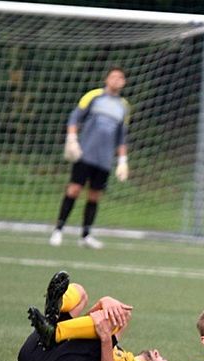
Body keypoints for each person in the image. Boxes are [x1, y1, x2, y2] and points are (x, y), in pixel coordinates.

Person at [20, 271, 173, 361]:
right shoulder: (123, 354)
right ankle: (58, 305)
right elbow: (84, 329)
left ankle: (54, 332)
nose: (157, 352)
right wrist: (103, 302)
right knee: (81, 294)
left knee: (116, 319)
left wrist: (106, 337)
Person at [49, 67, 130, 249]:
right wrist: (71, 139)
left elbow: (122, 137)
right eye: (114, 76)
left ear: (124, 82)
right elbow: (74, 118)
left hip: (105, 159)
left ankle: (85, 235)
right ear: (107, 79)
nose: (117, 80)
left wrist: (123, 161)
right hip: (85, 154)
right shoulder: (93, 96)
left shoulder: (123, 106)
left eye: (120, 78)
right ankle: (58, 230)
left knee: (94, 196)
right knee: (74, 190)